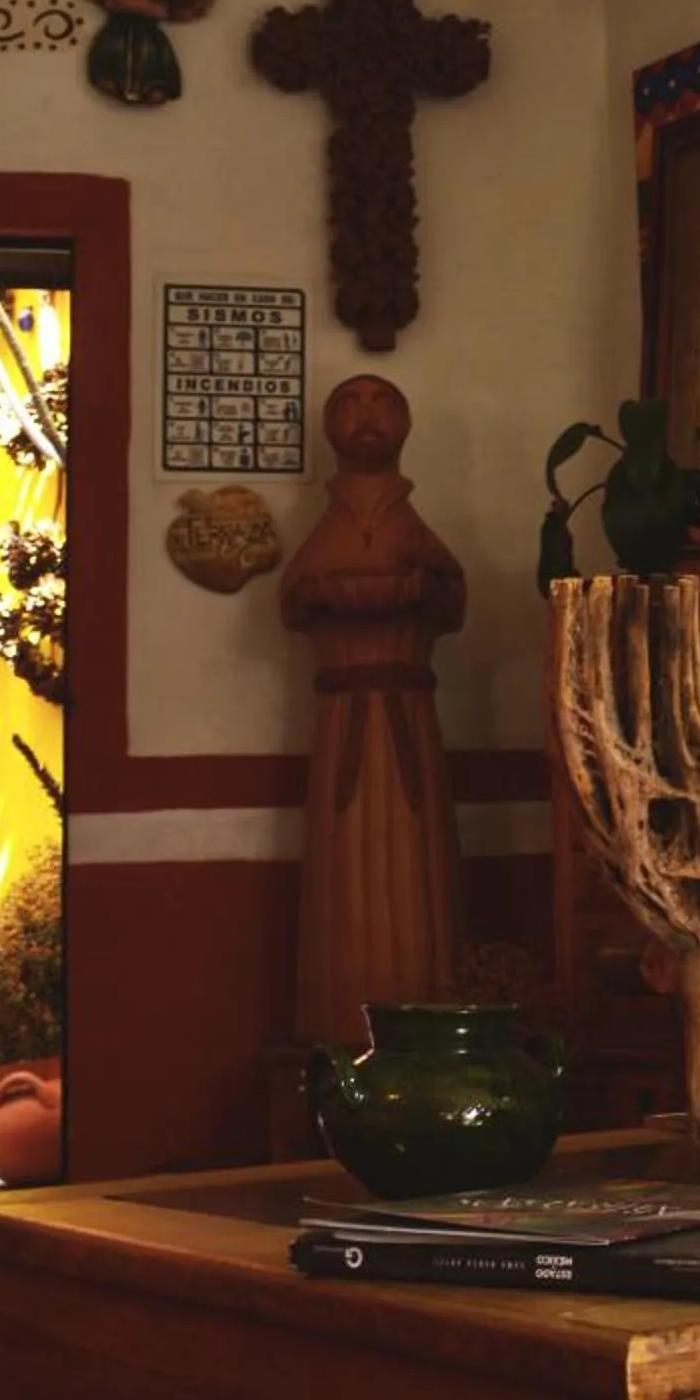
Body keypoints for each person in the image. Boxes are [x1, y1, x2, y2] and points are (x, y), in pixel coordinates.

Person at [281, 375, 468, 1046]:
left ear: (406, 422)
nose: (366, 415)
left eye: (383, 401)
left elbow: (452, 599)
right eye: (349, 403)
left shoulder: (411, 526)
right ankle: (340, 1033)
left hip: (409, 719)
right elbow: (293, 600)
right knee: (346, 892)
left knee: (416, 888)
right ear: (330, 428)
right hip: (343, 728)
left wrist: (425, 581)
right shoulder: (328, 527)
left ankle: (426, 1038)